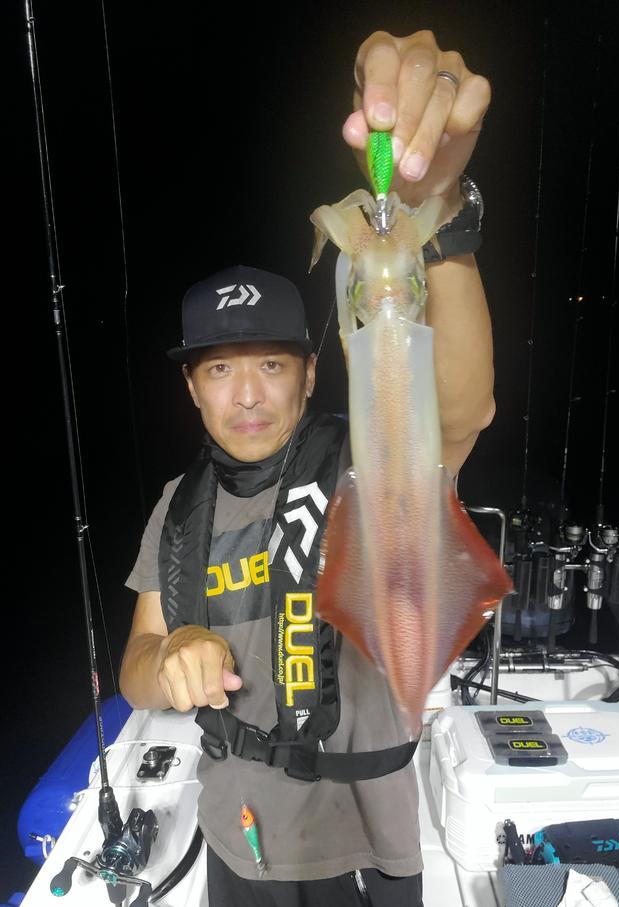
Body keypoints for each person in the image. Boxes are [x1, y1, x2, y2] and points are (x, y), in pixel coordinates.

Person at [120, 29, 494, 907]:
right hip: (238, 838)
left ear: (313, 371)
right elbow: (137, 658)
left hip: (367, 844)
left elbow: (459, 411)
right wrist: (171, 653)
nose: (248, 393)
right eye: (220, 368)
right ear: (192, 388)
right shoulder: (180, 506)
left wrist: (439, 214)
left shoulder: (368, 463)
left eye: (271, 363)